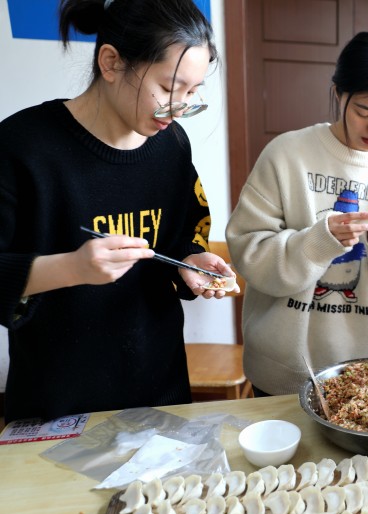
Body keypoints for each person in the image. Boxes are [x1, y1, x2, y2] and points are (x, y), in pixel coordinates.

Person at [0, 0, 236, 423]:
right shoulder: (22, 146)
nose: (179, 108)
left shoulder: (171, 146)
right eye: (169, 88)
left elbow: (183, 234)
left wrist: (190, 261)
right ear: (111, 62)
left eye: (192, 92)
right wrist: (72, 268)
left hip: (158, 389)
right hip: (55, 401)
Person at [226, 31, 368, 396]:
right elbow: (248, 253)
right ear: (338, 93)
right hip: (279, 368)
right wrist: (320, 240)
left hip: (362, 371)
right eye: (364, 111)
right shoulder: (287, 154)